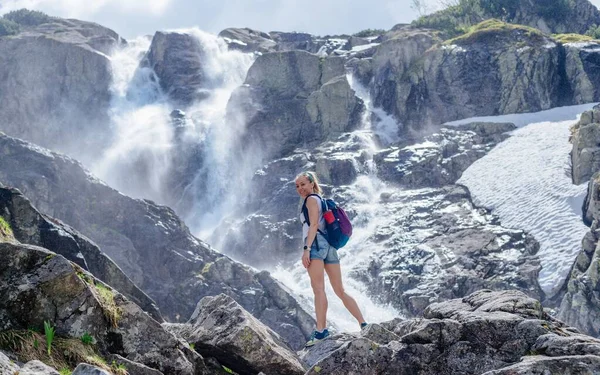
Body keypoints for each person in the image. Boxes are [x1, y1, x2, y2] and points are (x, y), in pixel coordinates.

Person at [295, 171, 367, 347]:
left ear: (312, 183)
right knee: (340, 290)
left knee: (318, 289)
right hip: (330, 246)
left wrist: (307, 249)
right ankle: (363, 324)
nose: (300, 189)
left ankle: (321, 332)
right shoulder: (321, 200)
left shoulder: (311, 200)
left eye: (303, 184)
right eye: (297, 186)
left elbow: (312, 225)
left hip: (316, 245)